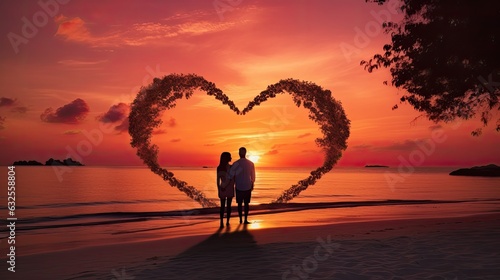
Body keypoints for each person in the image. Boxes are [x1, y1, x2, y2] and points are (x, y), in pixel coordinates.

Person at [229, 147, 255, 224]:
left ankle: (240, 219)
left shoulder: (236, 163)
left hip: (239, 186)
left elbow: (231, 176)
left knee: (239, 204)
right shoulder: (250, 163)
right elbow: (253, 176)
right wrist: (252, 184)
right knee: (246, 204)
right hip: (247, 186)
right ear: (245, 153)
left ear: (239, 153)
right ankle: (245, 219)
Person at [216, 152, 234, 228]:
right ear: (226, 158)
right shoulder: (231, 167)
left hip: (223, 188)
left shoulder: (219, 168)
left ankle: (222, 222)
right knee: (228, 206)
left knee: (222, 206)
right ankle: (227, 222)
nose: (231, 158)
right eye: (230, 156)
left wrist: (219, 190)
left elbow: (217, 181)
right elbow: (233, 179)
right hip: (229, 188)